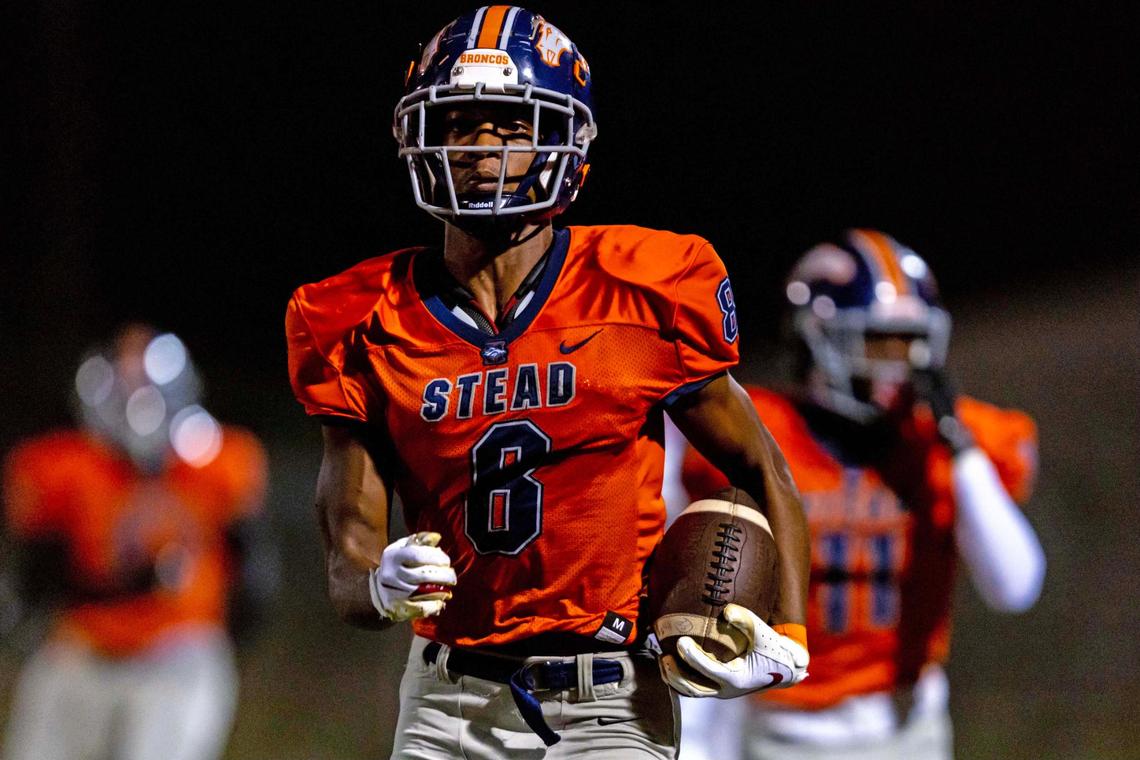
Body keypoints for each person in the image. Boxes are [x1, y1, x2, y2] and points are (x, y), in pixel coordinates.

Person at [285, 6, 812, 758]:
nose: (482, 149)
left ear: (566, 143)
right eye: (460, 124)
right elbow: (349, 558)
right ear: (420, 136)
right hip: (447, 702)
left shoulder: (647, 287)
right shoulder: (360, 318)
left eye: (511, 125)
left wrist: (787, 633)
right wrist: (378, 586)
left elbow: (762, 469)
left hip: (611, 701)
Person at [670, 229, 1046, 760]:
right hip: (789, 731)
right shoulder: (757, 437)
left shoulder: (947, 444)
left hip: (910, 725)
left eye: (911, 343)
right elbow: (701, 602)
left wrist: (960, 450)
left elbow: (1015, 588)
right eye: (878, 343)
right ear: (816, 339)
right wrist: (697, 735)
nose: (899, 365)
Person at [1, 324, 275, 760]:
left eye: (146, 383)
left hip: (176, 654)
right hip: (84, 650)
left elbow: (253, 573)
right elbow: (37, 576)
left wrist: (227, 636)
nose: (137, 401)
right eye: (126, 383)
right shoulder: (66, 468)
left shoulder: (220, 463)